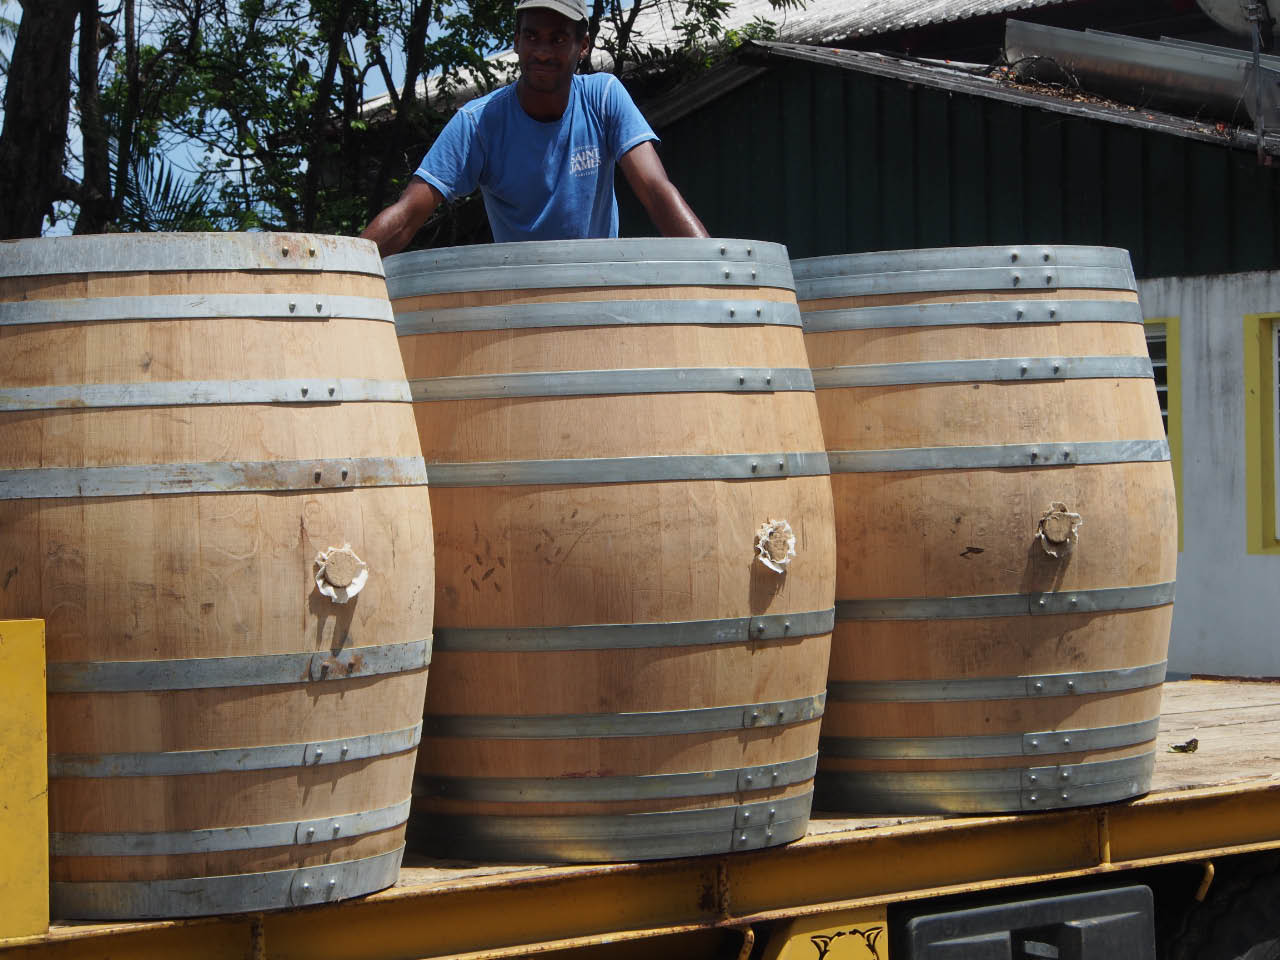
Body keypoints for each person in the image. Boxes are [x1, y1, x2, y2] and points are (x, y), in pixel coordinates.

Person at [360, 0, 708, 255]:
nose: (542, 51)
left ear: (582, 46)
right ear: (516, 41)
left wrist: (718, 272)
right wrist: (340, 272)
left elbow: (655, 190)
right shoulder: (479, 123)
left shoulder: (603, 97)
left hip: (599, 292)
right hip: (521, 300)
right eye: (532, 36)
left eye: (557, 39)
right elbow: (408, 215)